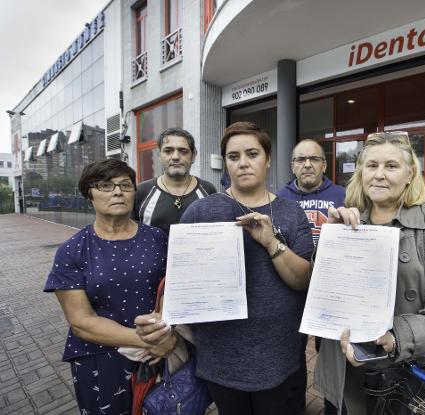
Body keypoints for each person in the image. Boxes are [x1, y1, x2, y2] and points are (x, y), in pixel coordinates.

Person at [135, 121, 314, 415]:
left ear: (268, 159)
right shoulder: (201, 211)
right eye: (234, 157)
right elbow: (181, 278)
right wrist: (164, 321)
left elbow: (301, 280)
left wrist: (272, 243)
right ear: (226, 164)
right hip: (221, 356)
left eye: (252, 154)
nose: (243, 163)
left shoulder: (291, 213)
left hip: (279, 354)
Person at [314, 131, 425, 415]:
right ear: (360, 172)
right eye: (371, 165)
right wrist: (331, 241)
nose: (379, 174)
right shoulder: (349, 219)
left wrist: (393, 338)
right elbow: (324, 295)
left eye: (391, 166)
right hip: (350, 369)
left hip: (415, 373)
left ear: (410, 174)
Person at [43, 159, 173, 414]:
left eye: (125, 185)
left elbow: (176, 290)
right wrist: (147, 341)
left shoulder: (158, 238)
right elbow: (81, 321)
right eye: (105, 185)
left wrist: (170, 336)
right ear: (88, 194)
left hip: (160, 354)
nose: (117, 191)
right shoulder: (72, 250)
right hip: (101, 358)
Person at [277, 139, 346, 415]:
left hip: (331, 290)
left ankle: (334, 406)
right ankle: (295, 407)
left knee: (332, 354)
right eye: (301, 159)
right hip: (292, 287)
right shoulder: (279, 198)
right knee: (293, 353)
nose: (307, 164)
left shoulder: (344, 195)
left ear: (324, 164)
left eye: (314, 159)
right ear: (293, 165)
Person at [134, 127, 216, 233]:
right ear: (159, 155)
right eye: (168, 151)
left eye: (183, 151)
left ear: (193, 156)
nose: (176, 157)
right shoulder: (141, 192)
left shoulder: (208, 190)